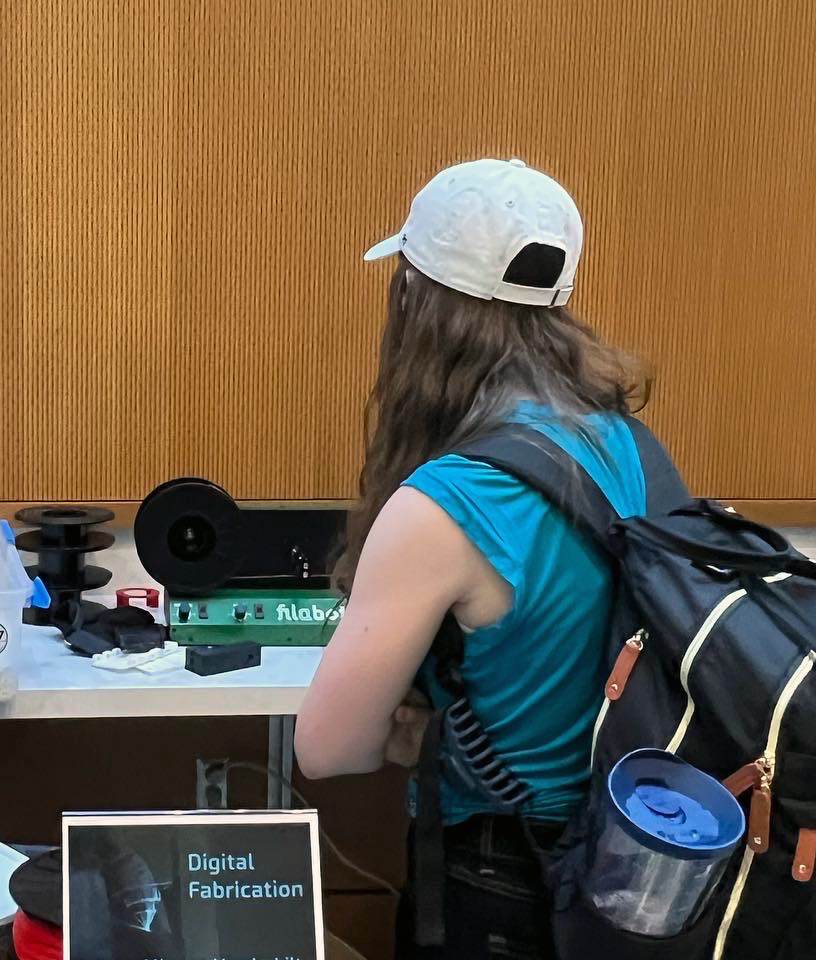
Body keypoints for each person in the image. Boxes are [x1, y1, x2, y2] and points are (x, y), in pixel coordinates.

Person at [294, 158, 653, 958]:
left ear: (415, 299)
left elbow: (326, 749)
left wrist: (410, 734)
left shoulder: (447, 503)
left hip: (499, 885)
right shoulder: (632, 451)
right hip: (628, 867)